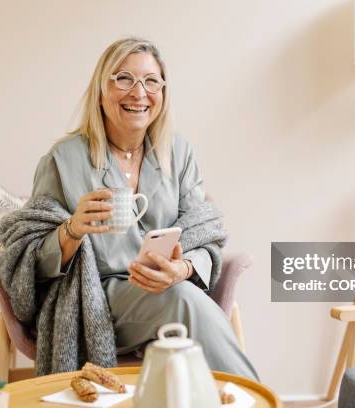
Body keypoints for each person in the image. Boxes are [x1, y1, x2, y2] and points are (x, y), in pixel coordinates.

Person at [30, 37, 258, 380]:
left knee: (180, 294)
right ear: (100, 90)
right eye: (124, 78)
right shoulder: (63, 159)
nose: (139, 93)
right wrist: (72, 229)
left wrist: (182, 268)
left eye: (151, 81)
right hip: (95, 299)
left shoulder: (178, 152)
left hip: (166, 287)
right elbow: (31, 258)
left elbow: (203, 230)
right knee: (183, 302)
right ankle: (259, 400)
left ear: (163, 93)